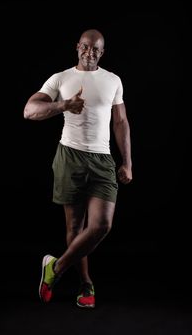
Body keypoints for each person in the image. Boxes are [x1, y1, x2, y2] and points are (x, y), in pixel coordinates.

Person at [23, 29, 132, 309]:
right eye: (85, 47)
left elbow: (120, 122)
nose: (89, 53)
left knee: (101, 225)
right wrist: (63, 105)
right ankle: (85, 284)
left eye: (95, 49)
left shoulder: (113, 80)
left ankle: (55, 269)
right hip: (70, 156)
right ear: (77, 47)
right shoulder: (61, 78)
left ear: (102, 52)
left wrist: (127, 161)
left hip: (102, 159)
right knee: (75, 227)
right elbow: (29, 110)